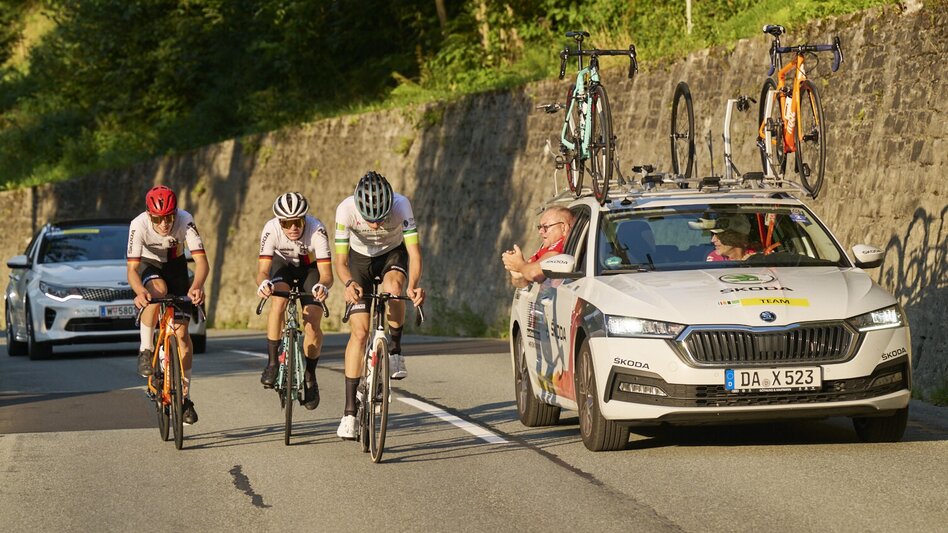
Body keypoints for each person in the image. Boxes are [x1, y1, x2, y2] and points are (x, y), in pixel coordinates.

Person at [334, 171, 425, 440]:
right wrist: (348, 283)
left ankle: (394, 349)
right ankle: (350, 412)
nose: (375, 225)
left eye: (381, 218)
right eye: (369, 219)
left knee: (395, 290)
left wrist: (415, 284)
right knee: (360, 333)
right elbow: (340, 262)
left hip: (391, 254)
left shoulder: (401, 205)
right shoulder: (346, 209)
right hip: (358, 261)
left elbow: (414, 253)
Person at [128, 185, 209, 425]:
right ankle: (146, 349)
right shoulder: (139, 224)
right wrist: (140, 291)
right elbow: (132, 270)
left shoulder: (185, 220)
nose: (164, 223)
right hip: (148, 264)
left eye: (169, 218)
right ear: (149, 215)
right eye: (158, 219)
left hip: (176, 266)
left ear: (176, 213)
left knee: (182, 335)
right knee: (158, 291)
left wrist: (197, 286)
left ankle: (184, 398)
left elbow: (202, 262)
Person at [256, 192, 333, 411]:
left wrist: (322, 286)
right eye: (287, 223)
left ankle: (310, 374)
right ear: (280, 222)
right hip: (283, 267)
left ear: (305, 219)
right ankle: (272, 363)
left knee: (312, 320)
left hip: (310, 269)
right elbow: (262, 271)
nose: (293, 228)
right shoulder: (271, 229)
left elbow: (327, 274)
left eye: (298, 221)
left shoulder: (317, 229)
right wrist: (263, 284)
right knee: (278, 302)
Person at [501, 206, 574, 287]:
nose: (540, 231)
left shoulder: (561, 245)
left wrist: (519, 265)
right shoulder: (546, 247)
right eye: (540, 227)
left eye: (546, 227)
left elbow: (535, 274)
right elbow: (522, 283)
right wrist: (517, 273)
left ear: (564, 228)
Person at [692, 215, 757, 261]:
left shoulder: (757, 257)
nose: (712, 240)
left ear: (736, 236)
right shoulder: (715, 258)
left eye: (719, 235)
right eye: (712, 235)